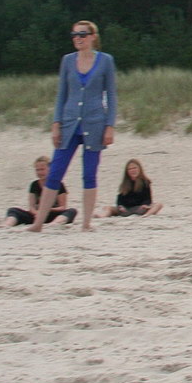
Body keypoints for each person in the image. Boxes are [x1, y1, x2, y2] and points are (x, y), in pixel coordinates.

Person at [34, 19, 117, 233]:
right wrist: (56, 124)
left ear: (92, 37)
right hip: (69, 123)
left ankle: (86, 223)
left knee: (89, 174)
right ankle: (38, 223)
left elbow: (111, 95)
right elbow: (61, 94)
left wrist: (110, 126)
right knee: (55, 172)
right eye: (74, 35)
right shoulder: (67, 61)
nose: (77, 38)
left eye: (82, 34)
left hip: (95, 124)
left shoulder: (106, 60)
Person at [5, 156, 78, 227]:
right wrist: (37, 213)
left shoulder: (58, 184)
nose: (40, 172)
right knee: (13, 210)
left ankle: (54, 224)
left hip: (53, 215)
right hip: (36, 216)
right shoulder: (34, 185)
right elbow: (32, 207)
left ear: (50, 169)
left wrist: (46, 209)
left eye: (42, 169)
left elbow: (62, 207)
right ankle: (7, 224)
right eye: (37, 170)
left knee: (71, 211)